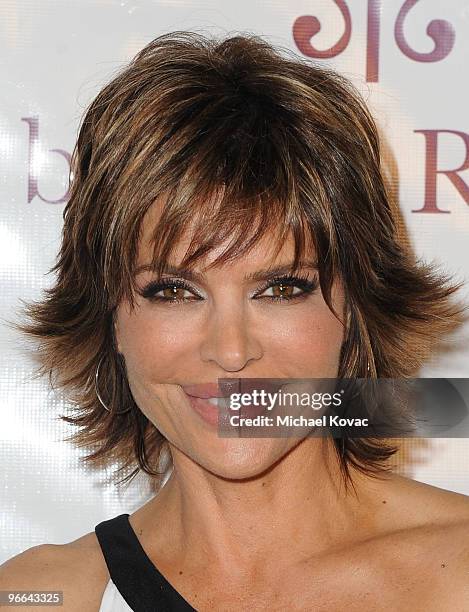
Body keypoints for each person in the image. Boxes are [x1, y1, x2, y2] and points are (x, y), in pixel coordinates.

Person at [1, 30, 469, 611]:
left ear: (357, 307)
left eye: (281, 288)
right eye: (173, 291)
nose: (230, 351)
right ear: (111, 316)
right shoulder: (41, 595)